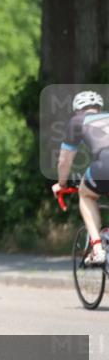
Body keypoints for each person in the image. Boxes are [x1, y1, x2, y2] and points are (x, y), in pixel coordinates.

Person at [53, 90, 109, 264]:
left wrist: (61, 184)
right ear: (99, 109)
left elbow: (64, 161)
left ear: (77, 110)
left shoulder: (77, 121)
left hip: (105, 165)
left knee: (85, 194)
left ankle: (98, 248)